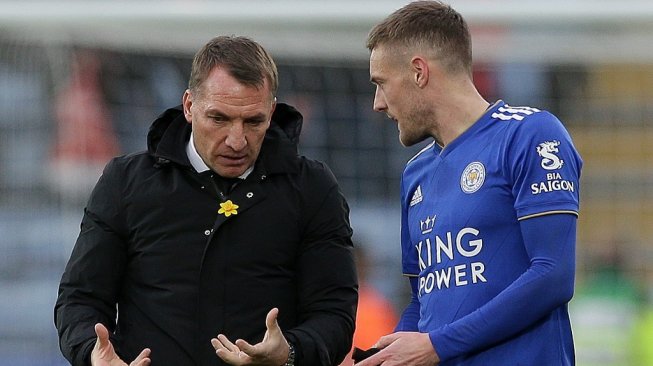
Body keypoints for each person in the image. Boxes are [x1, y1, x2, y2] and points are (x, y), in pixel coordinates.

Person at [55, 35, 358, 366]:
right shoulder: (126, 182)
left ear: (272, 112)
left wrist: (291, 352)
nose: (236, 140)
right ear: (188, 106)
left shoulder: (312, 188)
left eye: (253, 121)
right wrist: (92, 353)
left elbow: (334, 313)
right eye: (219, 118)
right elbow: (80, 299)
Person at [357, 1, 583, 365]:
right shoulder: (416, 174)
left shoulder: (530, 134)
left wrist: (437, 346)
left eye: (381, 84)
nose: (377, 104)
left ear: (418, 71)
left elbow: (552, 275)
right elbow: (422, 301)